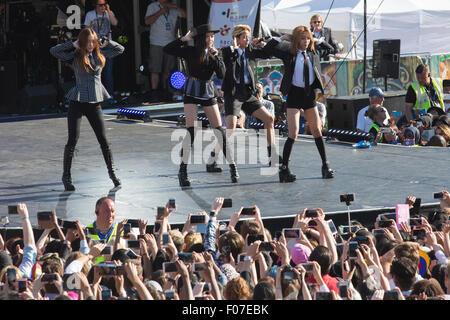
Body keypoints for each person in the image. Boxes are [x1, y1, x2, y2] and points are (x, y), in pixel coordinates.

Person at [50, 27, 124, 191]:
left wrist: (106, 42)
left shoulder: (100, 55)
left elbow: (121, 49)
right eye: (88, 41)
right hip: (78, 100)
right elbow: (54, 50)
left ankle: (112, 173)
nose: (91, 44)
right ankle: (66, 176)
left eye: (93, 41)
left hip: (94, 102)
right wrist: (73, 44)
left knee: (103, 140)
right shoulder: (75, 55)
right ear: (83, 41)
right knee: (72, 139)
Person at [163, 24, 233, 187]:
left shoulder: (215, 54)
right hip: (192, 90)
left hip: (208, 91)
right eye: (208, 36)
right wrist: (183, 39)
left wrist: (218, 57)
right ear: (201, 38)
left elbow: (222, 74)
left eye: (212, 37)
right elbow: (167, 49)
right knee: (192, 131)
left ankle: (232, 167)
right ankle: (183, 171)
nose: (211, 39)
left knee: (220, 130)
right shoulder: (190, 51)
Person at [264, 26, 334, 183]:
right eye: (302, 38)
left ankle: (325, 165)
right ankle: (284, 169)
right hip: (294, 95)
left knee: (317, 130)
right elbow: (269, 48)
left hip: (308, 95)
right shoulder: (289, 53)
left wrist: (315, 40)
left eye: (307, 38)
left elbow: (330, 48)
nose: (306, 41)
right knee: (293, 133)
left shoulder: (313, 52)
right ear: (296, 40)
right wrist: (282, 38)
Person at [221, 24, 279, 182]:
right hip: (233, 94)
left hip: (247, 93)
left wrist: (265, 42)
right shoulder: (227, 51)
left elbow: (267, 53)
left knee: (269, 119)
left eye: (248, 37)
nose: (247, 40)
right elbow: (230, 67)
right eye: (244, 37)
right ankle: (215, 155)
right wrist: (234, 52)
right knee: (231, 128)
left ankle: (271, 153)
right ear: (237, 39)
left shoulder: (250, 51)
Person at [145, 0, 186, 102]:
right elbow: (147, 21)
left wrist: (174, 7)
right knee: (155, 69)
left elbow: (185, 15)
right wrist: (161, 12)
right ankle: (154, 93)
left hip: (170, 43)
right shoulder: (152, 6)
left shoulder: (173, 8)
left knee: (167, 70)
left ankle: (165, 91)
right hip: (156, 42)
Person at [84, 0, 119, 104]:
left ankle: (110, 95)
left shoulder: (108, 13)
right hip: (95, 47)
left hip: (107, 46)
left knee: (108, 71)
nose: (102, 7)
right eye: (100, 5)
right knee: (95, 71)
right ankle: (95, 95)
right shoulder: (90, 14)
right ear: (95, 6)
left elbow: (115, 23)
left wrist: (109, 10)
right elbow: (87, 29)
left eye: (104, 5)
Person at [85, 197, 122, 264]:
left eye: (112, 211)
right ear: (97, 211)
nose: (110, 215)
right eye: (106, 211)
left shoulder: (122, 230)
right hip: (94, 271)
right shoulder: (86, 232)